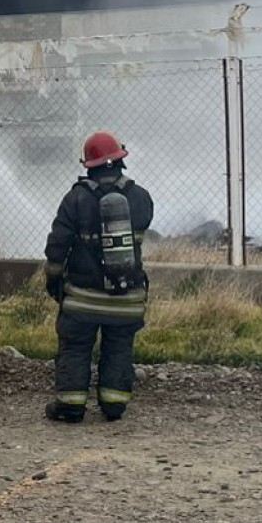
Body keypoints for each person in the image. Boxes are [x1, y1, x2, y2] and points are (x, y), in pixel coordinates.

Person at [42, 131, 154, 423]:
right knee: (119, 348)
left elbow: (57, 248)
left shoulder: (75, 199)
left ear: (88, 165)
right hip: (127, 300)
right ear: (120, 161)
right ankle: (114, 405)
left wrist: (53, 280)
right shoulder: (141, 199)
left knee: (76, 349)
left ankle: (71, 406)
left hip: (82, 301)